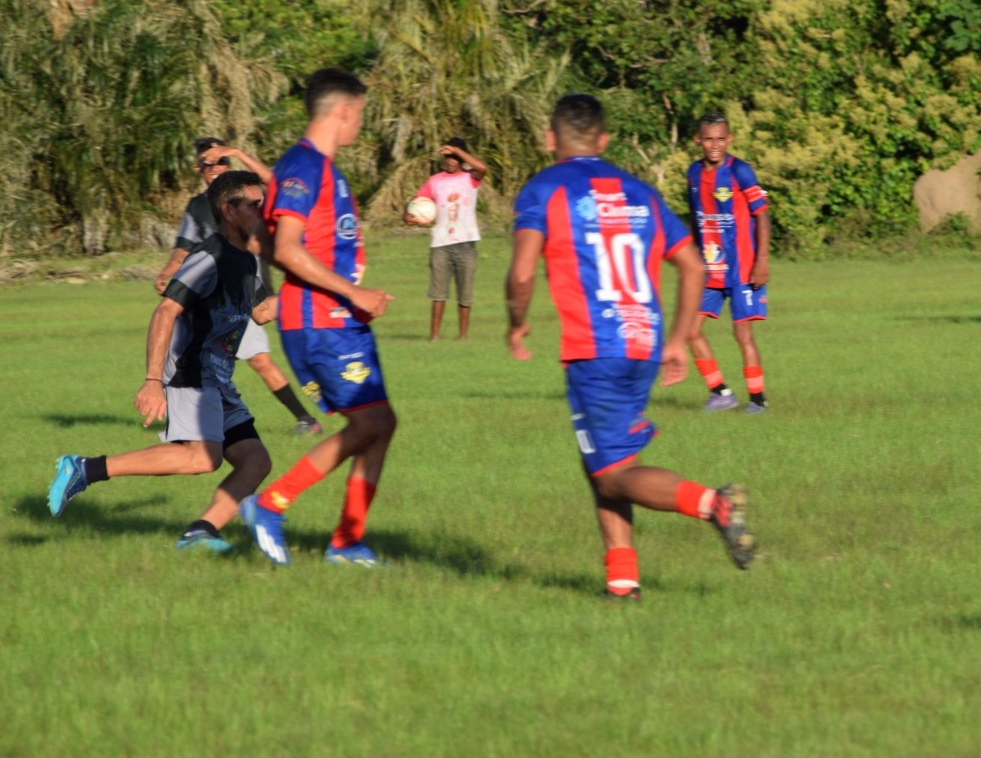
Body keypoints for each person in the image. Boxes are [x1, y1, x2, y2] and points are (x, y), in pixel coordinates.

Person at [505, 93, 756, 600]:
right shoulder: (637, 190)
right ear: (603, 140)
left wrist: (516, 323)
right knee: (602, 463)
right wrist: (682, 338)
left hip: (594, 350)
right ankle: (622, 583)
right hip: (641, 342)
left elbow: (523, 271)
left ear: (551, 139)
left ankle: (713, 503)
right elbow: (692, 265)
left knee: (614, 473)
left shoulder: (545, 188)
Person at [47, 171, 278, 552]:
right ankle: (84, 468)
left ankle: (200, 531)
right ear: (229, 210)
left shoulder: (247, 260)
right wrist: (153, 380)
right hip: (191, 370)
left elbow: (260, 313)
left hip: (218, 374)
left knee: (255, 460)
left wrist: (321, 293)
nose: (262, 211)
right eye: (254, 205)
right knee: (201, 459)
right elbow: (165, 310)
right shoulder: (211, 255)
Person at [240, 67, 397, 568]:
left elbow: (263, 239)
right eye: (361, 114)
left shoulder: (318, 168)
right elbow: (286, 248)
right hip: (321, 320)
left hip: (338, 319)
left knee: (381, 423)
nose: (360, 124)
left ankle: (348, 541)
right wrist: (355, 291)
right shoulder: (304, 167)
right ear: (344, 110)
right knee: (371, 421)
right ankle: (269, 504)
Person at [156, 137, 323, 436]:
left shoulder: (248, 196)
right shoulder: (197, 207)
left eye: (223, 161)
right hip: (213, 301)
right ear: (199, 169)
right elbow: (183, 248)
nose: (217, 167)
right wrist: (168, 271)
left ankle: (303, 418)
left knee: (257, 358)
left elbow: (278, 186)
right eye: (210, 163)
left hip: (245, 291)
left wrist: (237, 152)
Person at [685, 111, 772, 413]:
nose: (714, 145)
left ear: (729, 139)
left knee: (742, 334)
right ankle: (721, 392)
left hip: (743, 267)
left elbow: (762, 215)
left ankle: (758, 401)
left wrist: (761, 260)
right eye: (708, 139)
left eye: (720, 139)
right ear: (698, 140)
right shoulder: (693, 173)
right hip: (710, 267)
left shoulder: (741, 172)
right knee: (690, 331)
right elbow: (697, 217)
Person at [404, 137, 489, 340]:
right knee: (438, 294)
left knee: (465, 294)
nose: (450, 161)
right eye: (447, 157)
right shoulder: (435, 181)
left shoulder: (471, 178)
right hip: (440, 244)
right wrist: (406, 215)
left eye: (454, 157)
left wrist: (458, 150)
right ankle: (434, 336)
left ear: (461, 157)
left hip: (466, 243)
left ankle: (462, 337)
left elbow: (482, 167)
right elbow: (417, 202)